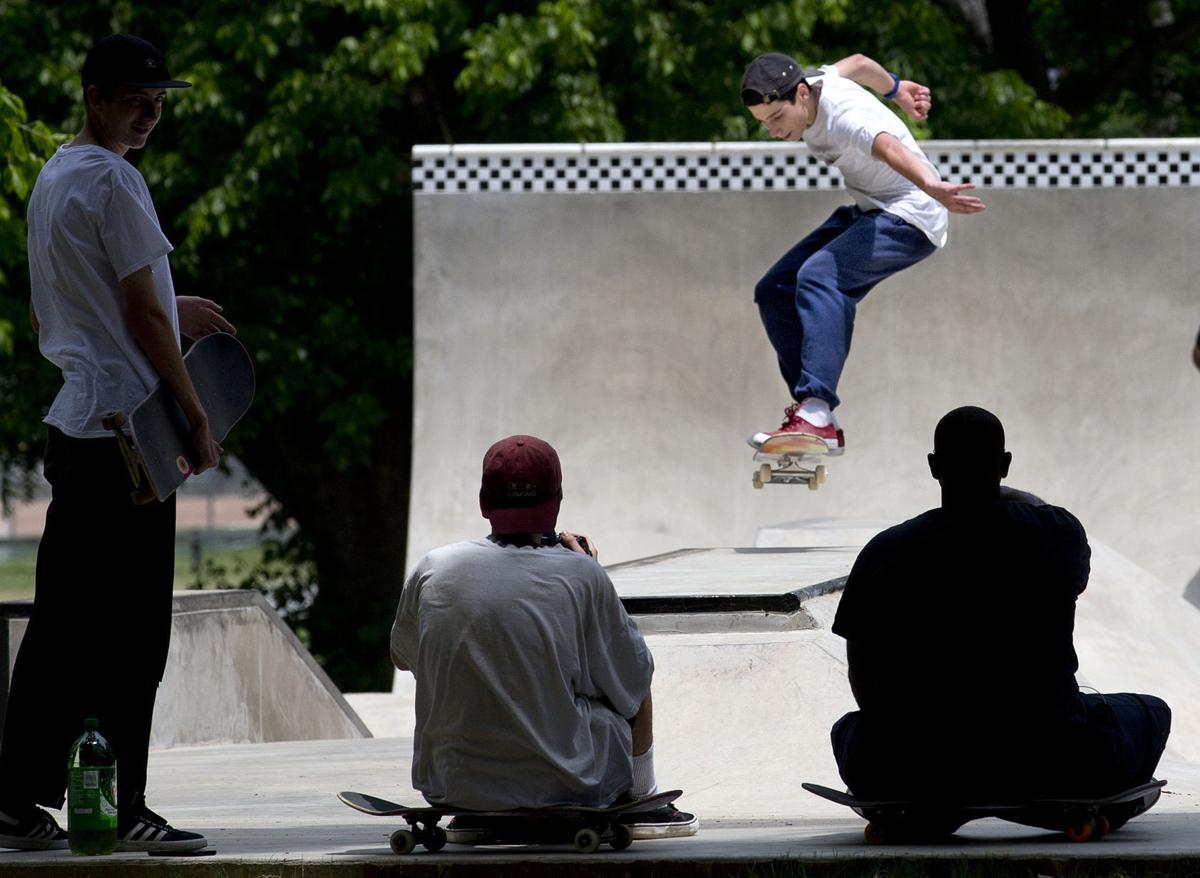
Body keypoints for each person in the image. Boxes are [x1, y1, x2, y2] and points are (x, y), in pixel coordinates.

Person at [0, 34, 234, 852]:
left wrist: (174, 302)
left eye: (159, 103)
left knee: (64, 624)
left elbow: (61, 308)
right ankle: (127, 808)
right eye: (136, 98)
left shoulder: (54, 177)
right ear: (96, 94)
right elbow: (137, 312)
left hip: (74, 426)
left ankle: (11, 800)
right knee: (133, 632)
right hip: (131, 440)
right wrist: (195, 413)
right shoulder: (116, 179)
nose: (149, 115)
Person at [829, 406, 1171, 819]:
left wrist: (899, 743)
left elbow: (861, 677)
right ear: (1005, 465)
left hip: (922, 768)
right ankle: (1081, 799)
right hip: (1054, 754)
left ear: (933, 467)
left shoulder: (885, 551)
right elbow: (1043, 515)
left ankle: (917, 805)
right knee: (1151, 712)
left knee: (848, 731)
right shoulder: (1054, 535)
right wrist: (1006, 498)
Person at [390, 435, 697, 841]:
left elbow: (402, 658)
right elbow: (633, 674)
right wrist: (592, 575)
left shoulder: (433, 568)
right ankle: (646, 798)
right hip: (565, 782)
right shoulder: (581, 574)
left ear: (484, 503)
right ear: (556, 504)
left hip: (452, 784)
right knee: (632, 672)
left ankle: (482, 802)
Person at [740, 53, 986, 454]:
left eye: (776, 119)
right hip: (872, 209)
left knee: (820, 276)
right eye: (763, 123)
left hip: (911, 214)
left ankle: (817, 413)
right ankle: (813, 412)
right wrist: (897, 88)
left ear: (801, 94)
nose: (772, 130)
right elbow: (855, 63)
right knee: (775, 288)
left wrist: (931, 186)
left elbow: (889, 148)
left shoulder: (844, 116)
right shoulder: (817, 80)